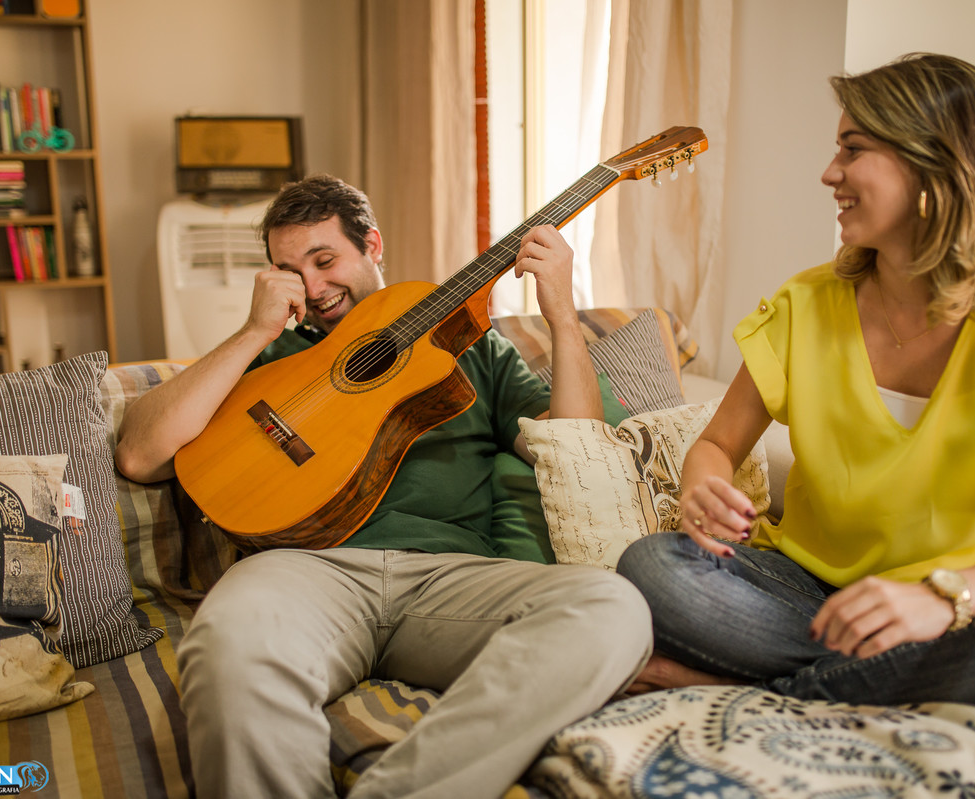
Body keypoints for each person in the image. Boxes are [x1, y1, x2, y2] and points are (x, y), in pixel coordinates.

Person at [115, 175, 652, 798]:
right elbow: (139, 454)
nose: (313, 289)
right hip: (306, 571)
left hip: (451, 582)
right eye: (290, 271)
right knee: (226, 643)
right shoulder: (272, 356)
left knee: (613, 609)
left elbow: (578, 448)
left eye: (325, 260)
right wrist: (252, 333)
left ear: (371, 245)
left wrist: (561, 313)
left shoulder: (474, 352)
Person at [617, 53, 975, 706]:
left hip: (953, 606)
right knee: (651, 567)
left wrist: (938, 600)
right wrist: (701, 490)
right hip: (800, 591)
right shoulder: (804, 305)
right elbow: (716, 447)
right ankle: (865, 682)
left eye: (853, 149)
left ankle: (772, 687)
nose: (831, 173)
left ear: (935, 163)